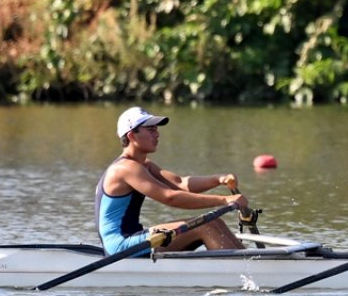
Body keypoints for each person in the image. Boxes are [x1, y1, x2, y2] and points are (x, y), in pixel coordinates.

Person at [96, 107, 248, 256]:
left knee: (216, 223)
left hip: (133, 237)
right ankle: (242, 273)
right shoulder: (126, 168)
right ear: (131, 136)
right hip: (121, 246)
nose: (157, 134)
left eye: (156, 129)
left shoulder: (144, 165)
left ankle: (249, 265)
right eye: (151, 130)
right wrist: (224, 200)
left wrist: (217, 179)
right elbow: (170, 197)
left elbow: (181, 184)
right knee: (207, 225)